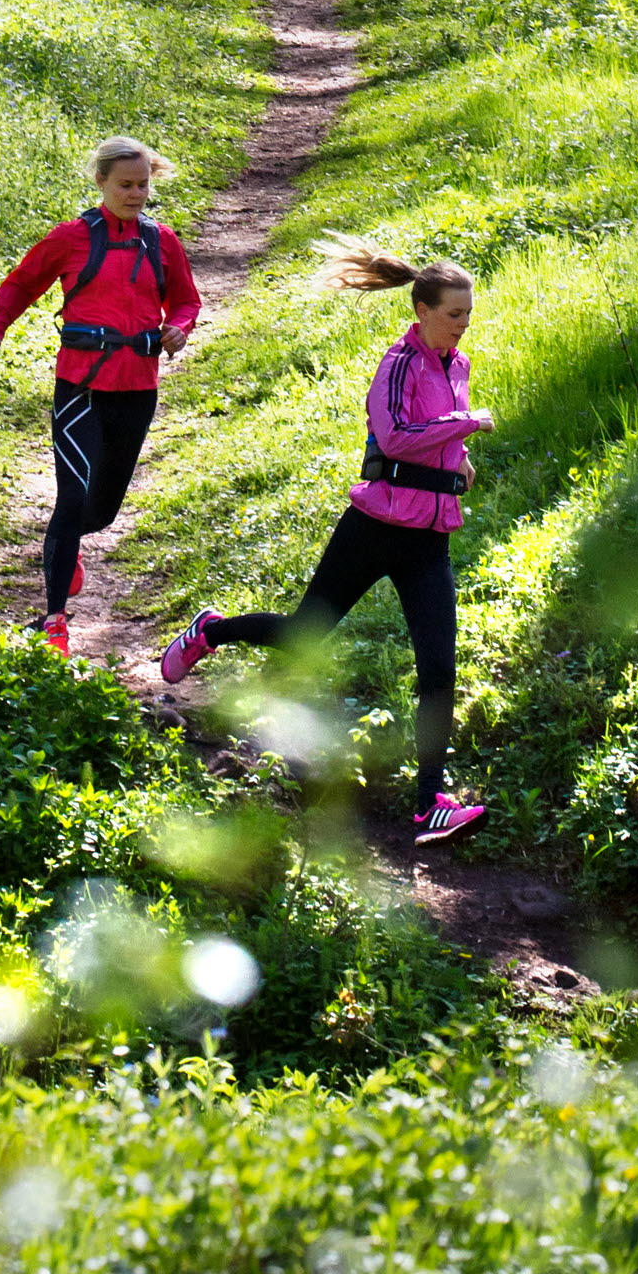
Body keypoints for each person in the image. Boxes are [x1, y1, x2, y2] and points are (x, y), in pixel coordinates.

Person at [156, 237, 495, 845]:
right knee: (304, 634)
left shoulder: (458, 366)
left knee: (439, 669)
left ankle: (429, 803)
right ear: (422, 311)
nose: (462, 326)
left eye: (468, 314)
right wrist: (463, 424)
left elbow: (441, 435)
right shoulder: (398, 363)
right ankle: (212, 630)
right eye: (453, 315)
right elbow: (393, 438)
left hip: (428, 540)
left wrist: (460, 460)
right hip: (374, 528)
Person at [0, 138, 202, 657]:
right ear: (101, 182)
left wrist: (180, 327)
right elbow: (21, 284)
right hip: (80, 385)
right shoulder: (71, 238)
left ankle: (70, 545)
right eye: (126, 185)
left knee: (100, 513)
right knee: (72, 498)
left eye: (143, 184)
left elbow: (185, 299)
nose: (137, 194)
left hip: (138, 386)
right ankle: (55, 619)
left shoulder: (161, 241)